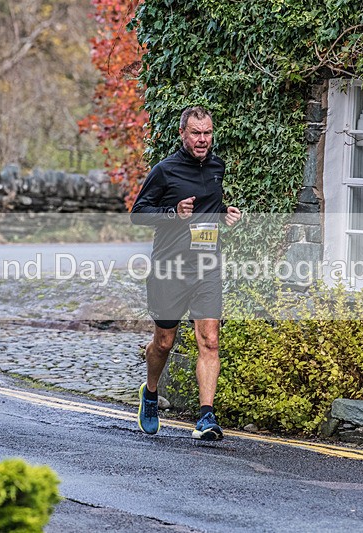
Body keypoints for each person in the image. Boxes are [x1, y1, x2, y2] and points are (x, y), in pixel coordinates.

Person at [131, 106, 242, 441]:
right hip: (170, 268)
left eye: (207, 133)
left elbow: (208, 207)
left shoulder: (217, 167)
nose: (202, 140)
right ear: (183, 134)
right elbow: (138, 214)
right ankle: (150, 393)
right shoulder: (165, 171)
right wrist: (172, 212)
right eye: (196, 133)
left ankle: (206, 417)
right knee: (164, 342)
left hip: (207, 266)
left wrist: (224, 214)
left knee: (210, 340)